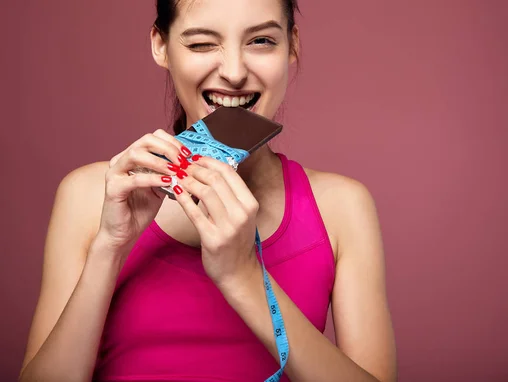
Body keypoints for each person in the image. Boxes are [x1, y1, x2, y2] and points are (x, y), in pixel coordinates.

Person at [19, 0, 397, 381]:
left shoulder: (341, 207)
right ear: (160, 46)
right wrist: (111, 248)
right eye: (201, 44)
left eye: (262, 41)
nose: (233, 72)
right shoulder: (91, 194)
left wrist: (243, 276)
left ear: (292, 46)